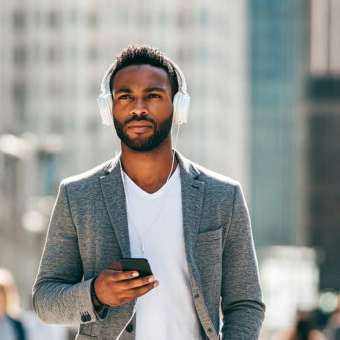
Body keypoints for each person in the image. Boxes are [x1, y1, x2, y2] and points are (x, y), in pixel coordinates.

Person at [32, 45, 265, 340]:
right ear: (109, 108)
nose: (138, 107)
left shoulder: (222, 196)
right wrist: (94, 293)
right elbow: (44, 299)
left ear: (178, 107)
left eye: (153, 96)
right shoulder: (77, 195)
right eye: (125, 96)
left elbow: (245, 302)